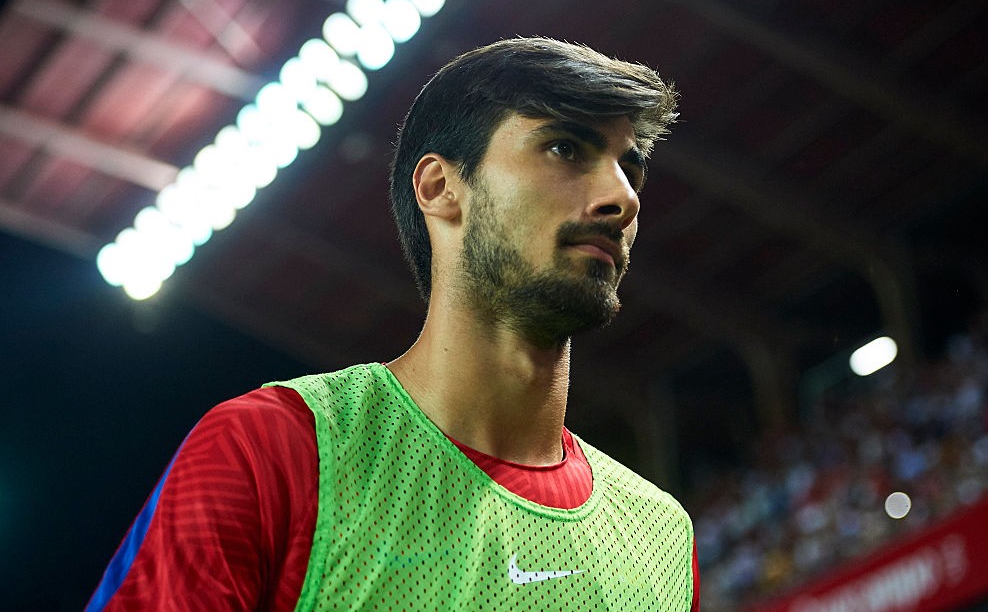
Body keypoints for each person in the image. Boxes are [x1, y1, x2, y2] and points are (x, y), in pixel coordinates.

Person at [87, 37, 699, 610]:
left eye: (632, 169)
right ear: (439, 187)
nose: (624, 198)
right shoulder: (272, 451)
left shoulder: (661, 538)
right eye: (565, 148)